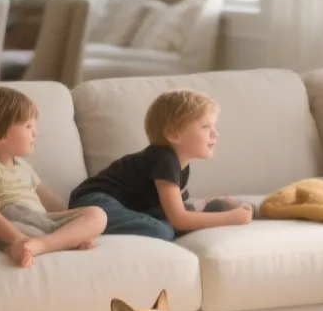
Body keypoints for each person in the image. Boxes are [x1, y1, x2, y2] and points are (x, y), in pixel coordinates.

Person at [68, 89, 254, 239]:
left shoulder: (181, 165)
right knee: (163, 231)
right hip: (94, 202)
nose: (215, 134)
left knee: (173, 218)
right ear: (174, 135)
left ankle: (208, 207)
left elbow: (174, 210)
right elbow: (179, 218)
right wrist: (229, 218)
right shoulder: (164, 159)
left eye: (214, 126)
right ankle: (78, 226)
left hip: (126, 206)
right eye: (206, 126)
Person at [0, 85, 107, 267]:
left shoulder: (24, 167)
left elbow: (53, 205)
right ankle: (39, 245)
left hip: (39, 220)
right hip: (6, 224)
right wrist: (18, 239)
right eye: (28, 126)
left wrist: (73, 225)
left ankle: (45, 244)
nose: (35, 133)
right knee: (26, 230)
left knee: (97, 214)